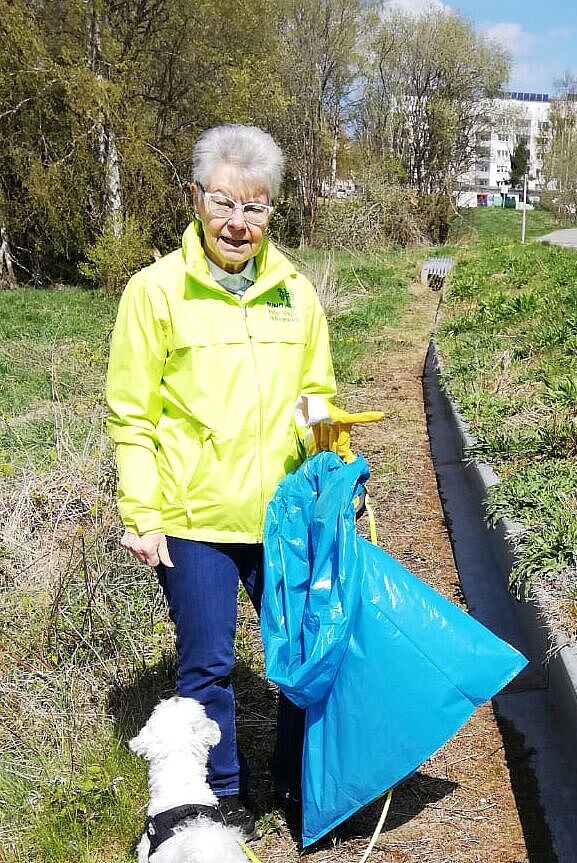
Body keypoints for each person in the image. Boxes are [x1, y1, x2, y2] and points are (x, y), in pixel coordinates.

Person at [105, 124, 336, 838]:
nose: (239, 223)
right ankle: (224, 798)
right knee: (206, 664)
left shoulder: (295, 292)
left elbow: (316, 391)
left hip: (280, 516)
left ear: (273, 210)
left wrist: (330, 452)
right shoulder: (154, 293)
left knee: (305, 651)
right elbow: (132, 413)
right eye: (224, 203)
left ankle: (300, 783)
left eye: (256, 207)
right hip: (192, 515)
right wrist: (142, 512)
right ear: (195, 198)